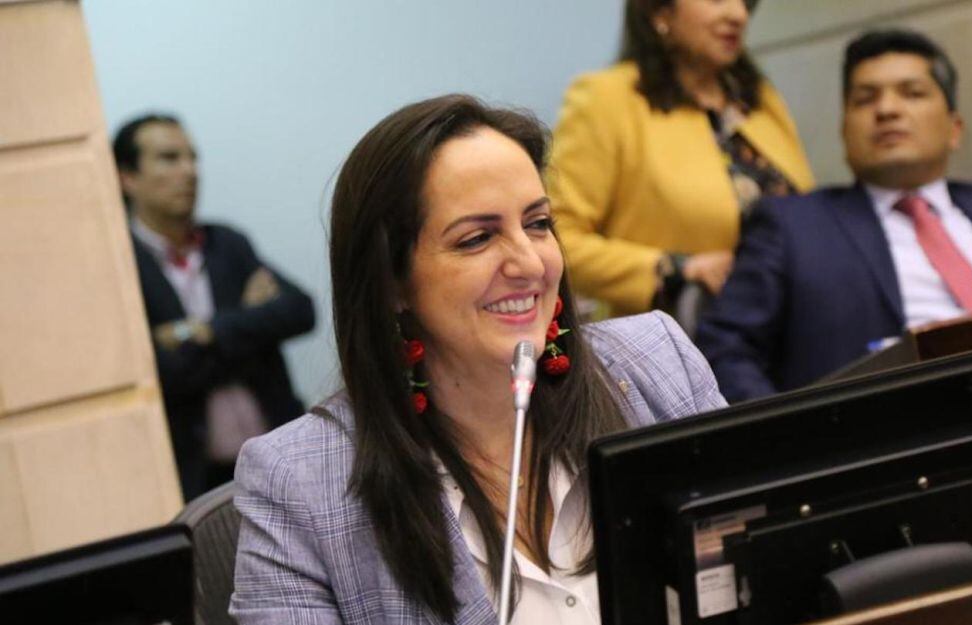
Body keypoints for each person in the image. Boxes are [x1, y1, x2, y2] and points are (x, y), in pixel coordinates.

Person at [229, 95, 725, 625]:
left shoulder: (656, 361)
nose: (529, 262)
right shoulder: (297, 482)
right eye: (477, 238)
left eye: (538, 223)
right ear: (391, 282)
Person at [696, 29, 972, 403]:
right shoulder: (792, 225)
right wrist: (793, 431)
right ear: (844, 131)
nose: (887, 110)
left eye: (912, 93)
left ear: (954, 129)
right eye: (865, 99)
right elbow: (724, 351)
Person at [548, 0, 814, 318]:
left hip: (795, 321)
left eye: (744, 2)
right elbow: (558, 238)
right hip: (685, 329)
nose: (739, 14)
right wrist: (674, 269)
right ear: (661, 12)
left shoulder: (758, 97)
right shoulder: (605, 98)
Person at [114, 114, 315, 500]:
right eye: (169, 158)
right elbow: (163, 373)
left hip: (284, 461)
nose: (189, 171)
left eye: (192, 157)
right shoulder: (121, 265)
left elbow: (299, 310)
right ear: (128, 177)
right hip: (197, 481)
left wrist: (201, 331)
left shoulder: (227, 244)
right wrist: (248, 326)